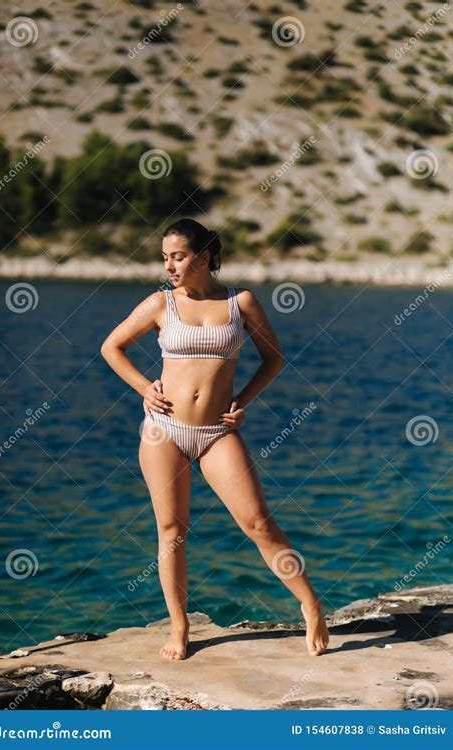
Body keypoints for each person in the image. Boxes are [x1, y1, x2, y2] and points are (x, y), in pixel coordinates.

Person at [100, 218, 329, 660]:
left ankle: (311, 603)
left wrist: (242, 401)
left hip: (217, 432)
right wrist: (144, 387)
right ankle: (180, 626)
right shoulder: (159, 303)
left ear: (204, 257)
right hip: (162, 431)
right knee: (171, 531)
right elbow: (112, 347)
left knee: (259, 523)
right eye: (165, 257)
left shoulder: (239, 303)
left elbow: (273, 359)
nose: (169, 266)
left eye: (178, 256)